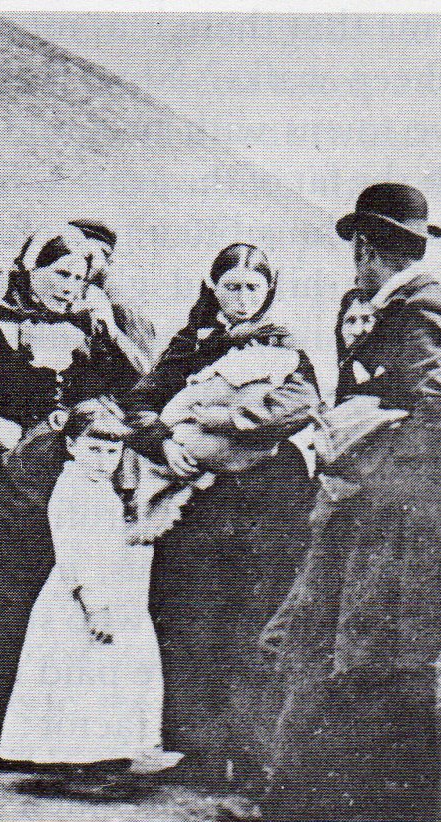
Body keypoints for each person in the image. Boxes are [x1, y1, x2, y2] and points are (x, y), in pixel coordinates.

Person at [266, 184, 441, 822]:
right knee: (323, 640)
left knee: (374, 652)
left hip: (398, 517)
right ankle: (307, 810)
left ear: (364, 247)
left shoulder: (424, 309)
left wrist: (369, 451)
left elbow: (437, 411)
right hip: (357, 503)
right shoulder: (369, 307)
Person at [0, 228, 140, 748]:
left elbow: (141, 382)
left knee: (65, 594)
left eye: (79, 278)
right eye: (59, 274)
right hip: (10, 481)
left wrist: (112, 332)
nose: (69, 286)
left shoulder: (91, 327)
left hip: (74, 482)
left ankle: (49, 732)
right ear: (30, 270)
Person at [123, 243, 320, 782]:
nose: (242, 298)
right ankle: (197, 751)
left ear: (269, 292)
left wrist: (220, 418)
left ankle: (251, 756)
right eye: (231, 286)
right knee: (186, 614)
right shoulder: (190, 344)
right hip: (198, 501)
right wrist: (163, 442)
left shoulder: (282, 344)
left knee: (253, 618)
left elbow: (299, 406)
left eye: (253, 288)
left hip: (267, 500)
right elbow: (138, 404)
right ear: (212, 288)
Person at [0, 400, 177, 772]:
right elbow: (73, 554)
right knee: (78, 669)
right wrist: (94, 605)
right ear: (71, 446)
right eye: (93, 449)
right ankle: (74, 755)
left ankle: (100, 751)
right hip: (82, 597)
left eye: (112, 452)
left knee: (104, 671)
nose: (103, 460)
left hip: (111, 589)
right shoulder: (74, 490)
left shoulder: (99, 487)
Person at [68, 218, 159, 374]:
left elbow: (149, 373)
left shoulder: (121, 308)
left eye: (90, 256)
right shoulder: (58, 299)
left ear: (107, 260)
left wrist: (112, 330)